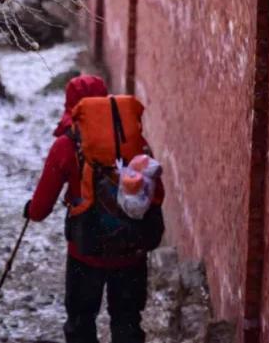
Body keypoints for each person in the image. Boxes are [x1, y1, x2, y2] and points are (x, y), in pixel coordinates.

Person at [23, 74, 163, 343]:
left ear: (71, 105)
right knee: (127, 322)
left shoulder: (66, 144)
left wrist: (31, 210)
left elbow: (40, 209)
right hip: (131, 252)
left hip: (85, 253)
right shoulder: (133, 140)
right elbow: (157, 193)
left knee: (81, 322)